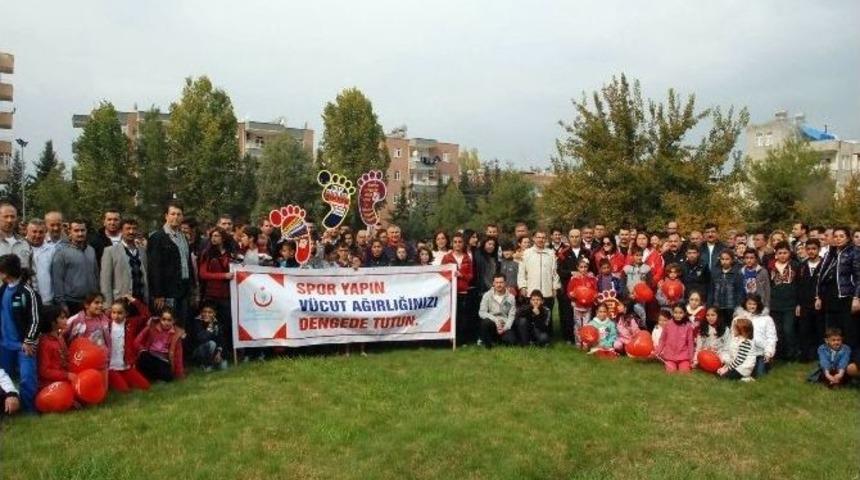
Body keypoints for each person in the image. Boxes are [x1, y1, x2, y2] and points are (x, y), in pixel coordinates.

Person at [0, 254, 40, 412]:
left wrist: (29, 340)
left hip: (23, 345)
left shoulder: (27, 292)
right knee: (4, 378)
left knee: (27, 377)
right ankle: (8, 409)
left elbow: (35, 319)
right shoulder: (2, 290)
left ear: (7, 272)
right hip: (4, 344)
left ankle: (29, 410)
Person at [147, 202, 195, 328]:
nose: (176, 217)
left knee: (181, 326)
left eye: (179, 214)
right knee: (167, 327)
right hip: (167, 292)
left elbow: (188, 263)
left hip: (183, 290)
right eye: (172, 214)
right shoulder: (157, 237)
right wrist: (158, 294)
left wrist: (193, 287)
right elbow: (154, 268)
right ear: (166, 216)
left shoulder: (183, 237)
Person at [815, 227, 860, 350]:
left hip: (846, 296)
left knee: (848, 329)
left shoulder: (854, 252)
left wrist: (857, 298)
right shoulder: (831, 253)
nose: (838, 239)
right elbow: (822, 276)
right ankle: (833, 359)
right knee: (832, 330)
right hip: (830, 296)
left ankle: (850, 360)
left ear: (848, 238)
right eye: (836, 236)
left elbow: (858, 277)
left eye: (841, 236)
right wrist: (818, 296)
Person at [51, 219, 98, 314]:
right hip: (72, 302)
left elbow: (96, 274)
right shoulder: (62, 253)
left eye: (82, 230)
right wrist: (62, 303)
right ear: (70, 232)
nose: (80, 233)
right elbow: (57, 280)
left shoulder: (91, 250)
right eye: (76, 231)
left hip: (91, 302)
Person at [518, 230, 560, 337]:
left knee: (546, 317)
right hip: (531, 291)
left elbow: (554, 272)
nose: (541, 239)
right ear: (533, 238)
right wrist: (522, 286)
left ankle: (547, 338)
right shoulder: (527, 253)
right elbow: (522, 271)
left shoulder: (551, 253)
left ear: (546, 239)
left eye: (543, 237)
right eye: (538, 237)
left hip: (547, 291)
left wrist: (555, 287)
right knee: (531, 316)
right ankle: (530, 337)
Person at [100, 218, 148, 306]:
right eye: (128, 228)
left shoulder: (142, 251)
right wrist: (107, 305)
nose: (131, 231)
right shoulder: (110, 251)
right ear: (121, 231)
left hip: (141, 301)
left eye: (134, 229)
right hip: (121, 303)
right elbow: (105, 281)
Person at [107, 298, 151, 393]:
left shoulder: (131, 323)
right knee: (125, 391)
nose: (116, 316)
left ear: (126, 314)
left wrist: (134, 300)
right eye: (113, 312)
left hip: (125, 365)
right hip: (110, 366)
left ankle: (122, 378)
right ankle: (113, 380)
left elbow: (146, 315)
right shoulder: (107, 323)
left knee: (145, 386)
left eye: (120, 313)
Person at [134, 307, 184, 382]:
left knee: (168, 376)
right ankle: (151, 377)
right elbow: (137, 341)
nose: (166, 322)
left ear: (174, 321)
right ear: (160, 319)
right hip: (150, 356)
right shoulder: (152, 327)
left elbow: (178, 355)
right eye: (163, 319)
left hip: (163, 361)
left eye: (169, 320)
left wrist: (179, 374)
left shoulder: (176, 334)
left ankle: (154, 377)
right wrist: (142, 349)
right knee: (143, 357)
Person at [442, 234, 474, 345]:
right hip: (450, 292)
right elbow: (442, 274)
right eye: (455, 242)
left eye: (460, 242)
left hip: (463, 291)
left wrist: (461, 275)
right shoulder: (447, 257)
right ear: (452, 243)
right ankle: (450, 339)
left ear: (463, 243)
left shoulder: (467, 257)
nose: (457, 244)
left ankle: (461, 340)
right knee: (452, 316)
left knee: (462, 317)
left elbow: (471, 276)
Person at [734, 293, 776, 377]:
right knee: (740, 373)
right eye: (749, 304)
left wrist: (768, 352)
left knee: (759, 375)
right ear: (745, 304)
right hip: (744, 351)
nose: (752, 306)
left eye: (754, 304)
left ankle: (766, 364)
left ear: (758, 305)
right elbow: (734, 335)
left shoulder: (767, 319)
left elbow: (771, 337)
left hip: (760, 352)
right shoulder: (739, 317)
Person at [769, 241, 798, 361]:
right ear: (776, 254)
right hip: (775, 303)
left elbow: (799, 285)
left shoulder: (795, 266)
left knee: (788, 329)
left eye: (785, 253)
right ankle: (779, 353)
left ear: (789, 253)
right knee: (777, 330)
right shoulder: (770, 266)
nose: (782, 255)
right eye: (780, 253)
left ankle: (791, 354)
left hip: (790, 304)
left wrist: (798, 303)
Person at [65, 292, 111, 367]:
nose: (100, 305)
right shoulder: (76, 319)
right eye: (97, 303)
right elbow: (61, 335)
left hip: (102, 362)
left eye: (102, 303)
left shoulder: (105, 320)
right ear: (86, 305)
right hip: (83, 362)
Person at [796, 239, 824, 361]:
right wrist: (798, 304)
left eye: (814, 249)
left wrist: (821, 298)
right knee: (804, 330)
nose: (811, 251)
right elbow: (797, 286)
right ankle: (805, 355)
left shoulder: (825, 264)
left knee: (819, 330)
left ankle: (820, 355)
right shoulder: (802, 266)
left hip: (820, 304)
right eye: (809, 249)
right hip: (804, 304)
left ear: (819, 249)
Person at [37, 305, 74, 389]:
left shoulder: (60, 337)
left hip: (64, 379)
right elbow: (44, 371)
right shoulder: (44, 343)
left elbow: (66, 357)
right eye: (62, 318)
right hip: (50, 385)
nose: (66, 320)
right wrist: (66, 375)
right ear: (52, 322)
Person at [477, 274, 518, 348]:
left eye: (501, 282)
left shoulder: (511, 297)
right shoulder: (487, 295)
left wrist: (505, 328)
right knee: (485, 322)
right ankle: (488, 344)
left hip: (504, 324)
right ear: (493, 283)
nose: (499, 285)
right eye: (497, 282)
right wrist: (496, 320)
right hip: (492, 323)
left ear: (505, 283)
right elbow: (482, 312)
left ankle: (498, 339)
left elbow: (511, 316)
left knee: (512, 342)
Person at [655, 304, 695, 373]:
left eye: (680, 313)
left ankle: (684, 365)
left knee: (684, 372)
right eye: (675, 313)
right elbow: (662, 339)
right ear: (672, 313)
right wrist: (658, 351)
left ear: (685, 313)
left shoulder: (688, 326)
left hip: (683, 357)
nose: (678, 315)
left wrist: (691, 359)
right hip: (670, 357)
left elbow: (690, 343)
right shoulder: (668, 324)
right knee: (671, 371)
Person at [567, 257, 597, 348]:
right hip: (577, 306)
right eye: (581, 267)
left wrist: (593, 296)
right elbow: (569, 291)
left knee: (587, 324)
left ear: (588, 267)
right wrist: (572, 296)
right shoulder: (574, 279)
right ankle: (578, 342)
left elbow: (595, 291)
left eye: (585, 267)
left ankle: (586, 343)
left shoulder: (592, 279)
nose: (583, 269)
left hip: (588, 306)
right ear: (577, 267)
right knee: (578, 325)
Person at [26, 219, 56, 305]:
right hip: (26, 301)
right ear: (27, 231)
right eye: (34, 232)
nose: (37, 235)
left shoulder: (52, 250)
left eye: (41, 232)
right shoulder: (20, 248)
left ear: (45, 233)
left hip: (47, 300)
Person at [716, 316, 756, 382]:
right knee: (720, 373)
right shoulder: (738, 340)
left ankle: (746, 378)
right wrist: (724, 367)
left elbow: (739, 360)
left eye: (734, 329)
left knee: (724, 377)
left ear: (741, 331)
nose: (732, 330)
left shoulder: (745, 342)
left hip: (743, 368)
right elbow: (733, 357)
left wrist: (727, 369)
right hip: (736, 366)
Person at [710, 250, 744, 324]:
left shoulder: (737, 273)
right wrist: (710, 305)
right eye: (722, 259)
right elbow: (711, 290)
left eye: (727, 259)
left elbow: (740, 292)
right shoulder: (715, 273)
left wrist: (738, 307)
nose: (724, 261)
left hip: (731, 307)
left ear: (732, 260)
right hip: (717, 306)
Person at [192, 302, 228, 371]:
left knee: (224, 366)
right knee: (211, 344)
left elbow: (221, 340)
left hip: (213, 351)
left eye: (210, 312)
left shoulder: (217, 323)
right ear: (201, 312)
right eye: (204, 312)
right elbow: (202, 338)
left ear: (214, 313)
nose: (206, 314)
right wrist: (210, 328)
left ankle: (214, 361)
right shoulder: (196, 322)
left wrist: (219, 352)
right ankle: (206, 364)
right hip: (198, 351)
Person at [0, 202, 32, 271]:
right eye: (6, 216)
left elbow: (30, 271)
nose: (9, 220)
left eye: (12, 216)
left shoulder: (25, 243)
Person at [622, 247, 651, 322]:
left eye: (640, 255)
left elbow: (649, 283)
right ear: (632, 256)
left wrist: (640, 295)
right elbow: (623, 283)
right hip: (629, 297)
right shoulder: (626, 268)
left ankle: (642, 329)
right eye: (637, 255)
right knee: (628, 317)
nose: (639, 257)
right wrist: (628, 294)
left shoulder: (647, 268)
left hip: (641, 299)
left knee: (641, 315)